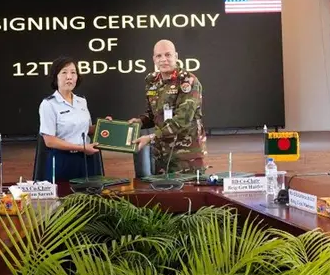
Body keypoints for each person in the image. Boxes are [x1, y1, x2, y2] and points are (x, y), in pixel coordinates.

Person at [129, 39, 207, 174]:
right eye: (159, 56)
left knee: (186, 195)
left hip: (186, 158)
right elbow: (154, 114)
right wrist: (140, 121)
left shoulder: (188, 81)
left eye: (168, 55)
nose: (163, 59)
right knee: (162, 194)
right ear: (154, 59)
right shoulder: (151, 80)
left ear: (176, 56)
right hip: (161, 157)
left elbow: (182, 120)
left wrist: (151, 137)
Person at [39, 56, 111, 182]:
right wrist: (81, 148)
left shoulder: (81, 101)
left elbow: (85, 130)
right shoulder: (48, 104)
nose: (69, 77)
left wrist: (103, 125)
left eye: (73, 72)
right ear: (55, 76)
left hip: (86, 160)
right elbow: (49, 140)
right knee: (64, 199)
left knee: (89, 198)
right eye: (64, 72)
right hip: (63, 161)